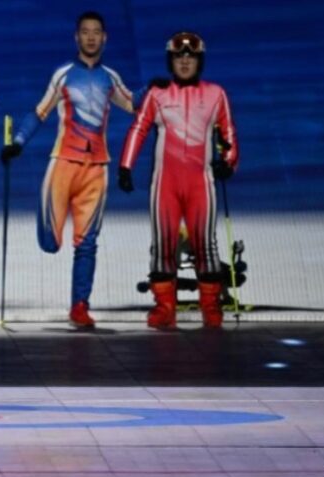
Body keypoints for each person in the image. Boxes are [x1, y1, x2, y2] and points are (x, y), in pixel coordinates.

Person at [0, 11, 140, 329]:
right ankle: (49, 230)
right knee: (50, 242)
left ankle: (79, 306)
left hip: (97, 169)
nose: (91, 37)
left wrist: (158, 89)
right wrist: (18, 142)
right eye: (85, 32)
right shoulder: (63, 75)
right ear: (77, 37)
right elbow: (40, 112)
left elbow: (133, 103)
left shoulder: (110, 78)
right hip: (63, 164)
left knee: (87, 243)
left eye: (96, 32)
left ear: (104, 38)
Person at [118, 31, 238, 329]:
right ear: (170, 61)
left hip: (201, 184)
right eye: (179, 57)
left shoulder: (216, 94)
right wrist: (125, 166)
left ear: (200, 61)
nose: (185, 62)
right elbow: (139, 128)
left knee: (205, 245)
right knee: (163, 246)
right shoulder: (158, 94)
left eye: (191, 57)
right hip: (165, 186)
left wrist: (228, 162)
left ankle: (211, 309)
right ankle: (164, 309)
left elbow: (228, 134)